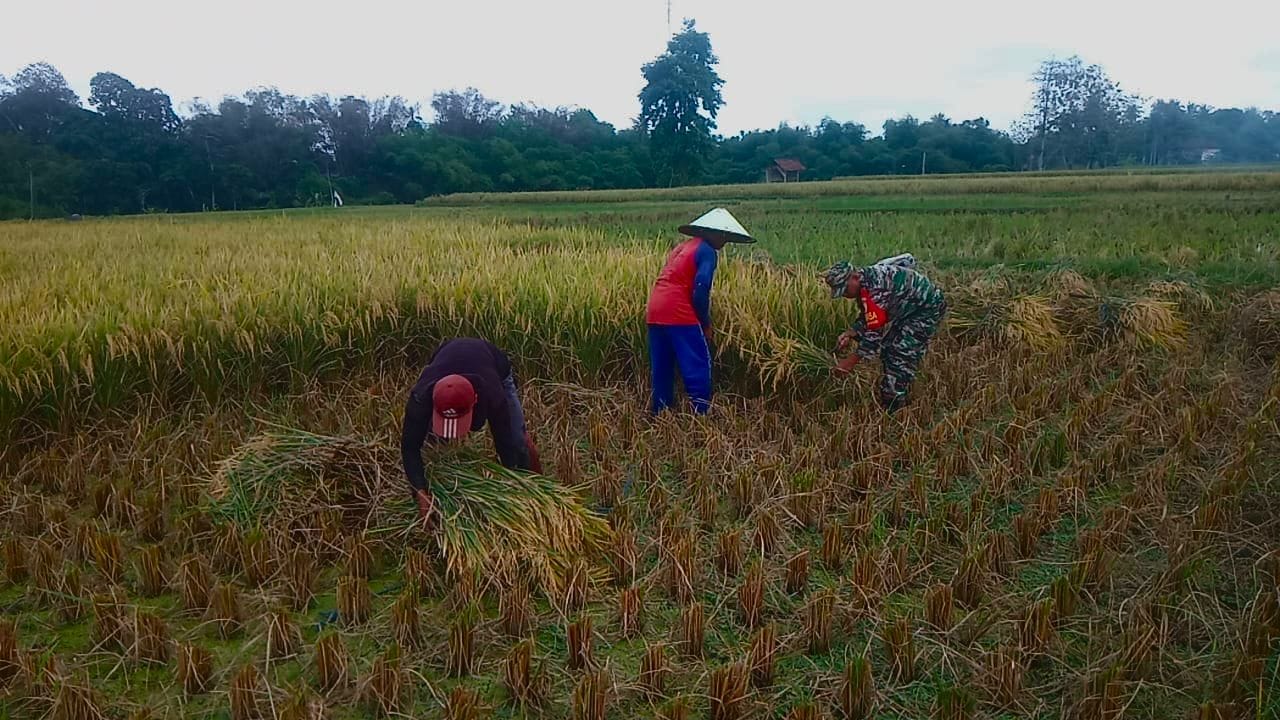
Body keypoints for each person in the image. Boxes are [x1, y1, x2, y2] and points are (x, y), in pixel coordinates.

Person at [400, 337, 543, 524]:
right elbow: (410, 447)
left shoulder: (494, 395)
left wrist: (513, 491)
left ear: (475, 401)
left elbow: (505, 444)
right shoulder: (422, 396)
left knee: (517, 442)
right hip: (445, 356)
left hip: (494, 365)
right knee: (431, 442)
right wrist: (420, 491)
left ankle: (538, 489)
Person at [646, 208, 755, 415]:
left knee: (662, 365)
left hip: (655, 307)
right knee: (697, 362)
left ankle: (660, 412)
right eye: (723, 235)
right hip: (678, 310)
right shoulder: (706, 251)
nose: (724, 241)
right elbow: (701, 288)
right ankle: (700, 413)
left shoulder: (683, 247)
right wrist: (704, 322)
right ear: (710, 233)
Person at [821, 255, 946, 412]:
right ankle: (898, 390)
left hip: (926, 309)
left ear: (854, 277)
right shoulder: (865, 283)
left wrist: (849, 363)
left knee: (899, 353)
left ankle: (894, 406)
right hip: (909, 309)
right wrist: (852, 332)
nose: (845, 295)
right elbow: (870, 315)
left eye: (845, 289)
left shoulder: (876, 289)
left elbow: (873, 336)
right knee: (888, 348)